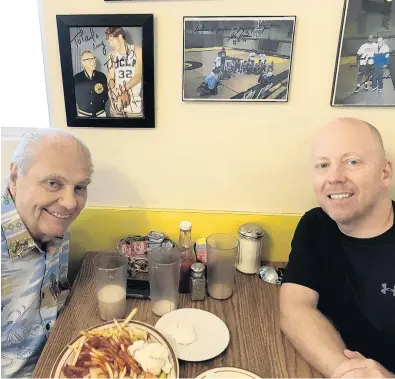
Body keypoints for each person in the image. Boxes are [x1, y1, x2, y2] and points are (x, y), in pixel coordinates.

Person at [280, 117, 395, 378]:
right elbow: (296, 309)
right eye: (323, 165)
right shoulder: (316, 225)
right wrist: (345, 372)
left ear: (385, 173)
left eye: (352, 162)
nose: (334, 177)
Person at [1, 129, 93, 378]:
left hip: (63, 358)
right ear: (14, 177)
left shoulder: (53, 222)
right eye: (53, 183)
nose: (70, 203)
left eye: (80, 187)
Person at [105, 27, 143, 117]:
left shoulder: (138, 50)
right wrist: (113, 91)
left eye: (111, 40)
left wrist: (120, 91)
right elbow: (110, 76)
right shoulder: (111, 55)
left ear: (120, 37)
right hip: (117, 102)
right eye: (109, 42)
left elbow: (138, 75)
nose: (110, 44)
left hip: (134, 102)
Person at [73, 50, 108, 117]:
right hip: (83, 116)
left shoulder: (102, 76)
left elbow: (106, 94)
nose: (92, 61)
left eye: (93, 58)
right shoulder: (76, 78)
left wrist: (101, 102)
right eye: (88, 59)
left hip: (101, 114)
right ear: (82, 62)